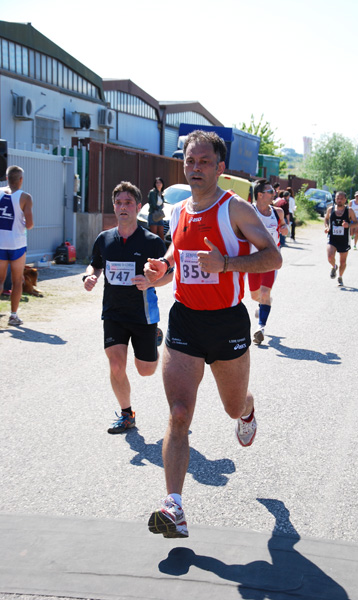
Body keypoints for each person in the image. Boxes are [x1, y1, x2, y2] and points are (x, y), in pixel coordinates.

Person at [144, 130, 282, 538]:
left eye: (205, 162)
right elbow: (176, 258)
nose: (196, 168)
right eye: (190, 161)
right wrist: (160, 271)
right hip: (185, 320)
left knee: (230, 406)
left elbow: (272, 256)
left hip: (227, 324)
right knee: (179, 413)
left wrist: (227, 265)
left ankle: (246, 408)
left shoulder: (234, 209)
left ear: (220, 168)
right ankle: (174, 507)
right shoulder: (178, 210)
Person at [83, 181, 172, 434]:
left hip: (143, 314)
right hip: (113, 312)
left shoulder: (152, 241)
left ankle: (155, 337)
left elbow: (170, 275)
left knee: (146, 370)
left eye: (129, 203)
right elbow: (95, 264)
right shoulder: (104, 239)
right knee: (115, 365)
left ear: (139, 207)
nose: (123, 207)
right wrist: (90, 276)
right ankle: (126, 414)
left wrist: (152, 280)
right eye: (119, 203)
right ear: (114, 207)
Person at [249, 179, 288, 345]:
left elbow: (285, 227)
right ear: (260, 194)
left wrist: (284, 228)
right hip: (252, 260)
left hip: (271, 259)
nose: (274, 194)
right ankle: (262, 304)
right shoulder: (249, 211)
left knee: (265, 293)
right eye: (271, 191)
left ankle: (260, 328)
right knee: (255, 295)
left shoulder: (277, 212)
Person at [0, 165, 34, 326]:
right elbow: (30, 224)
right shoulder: (25, 197)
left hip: (0, 243)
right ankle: (13, 316)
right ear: (21, 180)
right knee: (16, 280)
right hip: (17, 244)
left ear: (6, 178)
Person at [324, 191, 357, 286]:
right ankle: (334, 266)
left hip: (344, 240)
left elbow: (357, 223)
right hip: (332, 238)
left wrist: (349, 225)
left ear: (345, 200)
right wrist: (326, 227)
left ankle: (340, 277)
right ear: (335, 199)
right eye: (338, 198)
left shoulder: (349, 210)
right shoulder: (331, 209)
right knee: (330, 257)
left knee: (343, 262)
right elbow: (326, 219)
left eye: (342, 198)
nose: (339, 200)